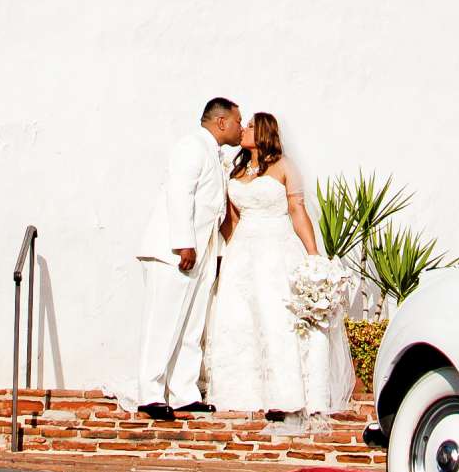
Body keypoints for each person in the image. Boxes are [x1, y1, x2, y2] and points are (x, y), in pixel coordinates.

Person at [206, 110, 356, 417]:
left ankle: (283, 396)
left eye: (249, 126)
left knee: (277, 320)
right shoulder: (236, 172)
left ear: (262, 132)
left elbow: (297, 210)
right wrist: (224, 256)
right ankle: (241, 394)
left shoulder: (283, 167)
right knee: (238, 319)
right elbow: (231, 221)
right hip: (243, 252)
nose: (243, 129)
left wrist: (313, 255)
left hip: (276, 249)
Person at [136, 95, 244, 418]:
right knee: (163, 321)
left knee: (191, 325)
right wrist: (184, 243)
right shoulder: (192, 146)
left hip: (200, 256)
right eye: (238, 121)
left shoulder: (214, 153)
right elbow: (179, 192)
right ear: (221, 122)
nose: (241, 128)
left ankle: (184, 391)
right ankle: (149, 392)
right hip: (175, 253)